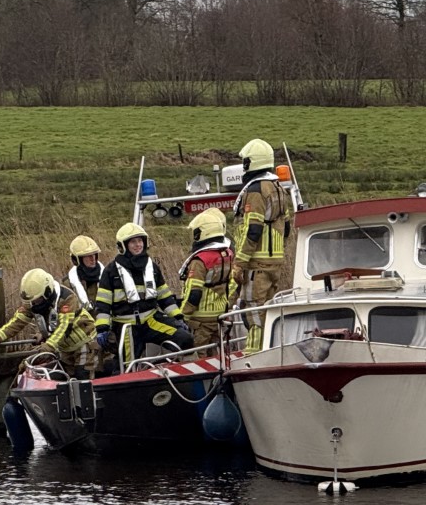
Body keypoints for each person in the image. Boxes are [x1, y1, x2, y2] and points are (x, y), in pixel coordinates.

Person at [94, 222, 193, 369]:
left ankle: (179, 374)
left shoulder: (152, 266)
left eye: (140, 241)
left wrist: (178, 317)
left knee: (185, 339)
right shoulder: (111, 271)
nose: (138, 245)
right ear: (123, 245)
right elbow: (103, 303)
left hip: (151, 321)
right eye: (133, 242)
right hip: (126, 327)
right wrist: (102, 329)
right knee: (126, 367)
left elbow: (164, 296)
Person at [0, 268, 100, 377]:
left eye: (37, 301)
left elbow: (63, 327)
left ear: (47, 293)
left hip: (85, 343)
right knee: (66, 378)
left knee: (82, 376)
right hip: (65, 349)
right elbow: (16, 323)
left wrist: (48, 346)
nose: (33, 305)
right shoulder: (33, 303)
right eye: (31, 302)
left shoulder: (67, 299)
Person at [232, 138, 292, 349]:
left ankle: (254, 354)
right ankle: (271, 348)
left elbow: (253, 229)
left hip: (255, 264)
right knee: (269, 311)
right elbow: (286, 227)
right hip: (273, 262)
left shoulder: (256, 190)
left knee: (253, 312)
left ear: (250, 163)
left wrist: (240, 262)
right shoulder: (278, 188)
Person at [177, 207, 237, 351]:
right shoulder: (228, 254)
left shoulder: (199, 261)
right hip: (220, 315)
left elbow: (194, 293)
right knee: (217, 354)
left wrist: (182, 315)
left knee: (198, 355)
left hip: (200, 318)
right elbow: (234, 284)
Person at [65, 234, 104, 311]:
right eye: (88, 255)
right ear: (77, 259)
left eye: (94, 254)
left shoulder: (109, 276)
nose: (93, 258)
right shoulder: (67, 284)